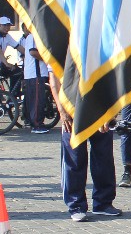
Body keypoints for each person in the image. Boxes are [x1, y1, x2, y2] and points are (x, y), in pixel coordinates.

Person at [49, 71, 121, 222]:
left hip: (100, 107)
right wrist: (62, 110)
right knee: (74, 159)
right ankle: (76, 205)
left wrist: (112, 108)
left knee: (104, 158)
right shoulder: (62, 54)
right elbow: (54, 80)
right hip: (72, 108)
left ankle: (103, 203)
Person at [18, 22, 50, 133]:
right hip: (35, 74)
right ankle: (37, 125)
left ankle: (31, 122)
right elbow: (33, 52)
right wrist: (48, 60)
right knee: (37, 101)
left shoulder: (33, 36)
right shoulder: (33, 36)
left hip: (36, 74)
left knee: (33, 100)